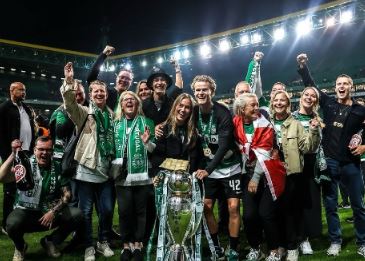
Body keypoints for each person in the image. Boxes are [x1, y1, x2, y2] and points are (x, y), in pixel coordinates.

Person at [297, 53, 365, 258]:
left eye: (345, 83)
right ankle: (335, 241)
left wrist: (364, 147)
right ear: (335, 87)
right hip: (329, 162)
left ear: (351, 87)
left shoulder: (360, 110)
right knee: (331, 205)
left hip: (351, 164)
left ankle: (362, 241)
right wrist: (303, 66)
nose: (341, 86)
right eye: (338, 84)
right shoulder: (328, 103)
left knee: (358, 205)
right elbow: (311, 85)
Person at [61, 62, 115, 261]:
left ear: (107, 95)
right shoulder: (84, 112)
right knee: (85, 212)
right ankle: (89, 246)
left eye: (102, 91)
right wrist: (68, 82)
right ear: (91, 94)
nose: (99, 94)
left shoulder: (112, 116)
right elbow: (69, 105)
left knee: (107, 210)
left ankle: (103, 241)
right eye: (96, 91)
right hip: (86, 170)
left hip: (106, 172)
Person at [0, 136, 83, 261]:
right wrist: (13, 153)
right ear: (34, 150)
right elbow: (1, 177)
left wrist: (53, 212)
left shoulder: (58, 167)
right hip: (25, 212)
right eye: (41, 149)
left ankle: (50, 241)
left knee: (77, 215)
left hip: (48, 213)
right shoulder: (25, 165)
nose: (45, 153)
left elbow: (67, 194)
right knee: (11, 224)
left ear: (52, 151)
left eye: (49, 150)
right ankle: (20, 247)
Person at [192, 75, 242, 261]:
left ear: (212, 91)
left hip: (229, 167)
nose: (201, 93)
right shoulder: (193, 111)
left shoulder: (223, 112)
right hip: (209, 167)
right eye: (198, 90)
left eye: (204, 89)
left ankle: (234, 248)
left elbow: (223, 146)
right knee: (206, 207)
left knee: (233, 207)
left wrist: (208, 170)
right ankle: (216, 247)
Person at [233, 93, 286, 261]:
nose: (257, 108)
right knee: (249, 215)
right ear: (242, 109)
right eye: (252, 105)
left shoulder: (265, 124)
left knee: (266, 214)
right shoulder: (235, 123)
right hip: (245, 174)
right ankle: (255, 247)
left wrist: (255, 178)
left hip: (266, 174)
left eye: (257, 104)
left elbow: (263, 153)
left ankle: (274, 250)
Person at [270, 90, 320, 261]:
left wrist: (313, 131)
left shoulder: (296, 123)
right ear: (272, 103)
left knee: (291, 210)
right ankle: (280, 246)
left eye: (282, 100)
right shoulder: (266, 123)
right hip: (271, 174)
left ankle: (292, 247)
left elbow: (307, 148)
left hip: (291, 173)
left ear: (288, 104)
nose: (279, 103)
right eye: (276, 100)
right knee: (274, 212)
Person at [112, 91, 155, 261]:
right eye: (125, 100)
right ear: (121, 105)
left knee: (140, 211)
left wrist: (146, 142)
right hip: (121, 175)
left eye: (132, 100)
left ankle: (138, 244)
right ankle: (126, 244)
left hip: (141, 175)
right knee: (124, 212)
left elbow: (153, 149)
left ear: (137, 104)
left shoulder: (147, 122)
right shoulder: (115, 124)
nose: (129, 102)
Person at [292, 86, 326, 255]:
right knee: (297, 203)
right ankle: (301, 239)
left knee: (311, 203)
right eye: (307, 94)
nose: (309, 98)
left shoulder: (317, 118)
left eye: (313, 96)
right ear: (301, 96)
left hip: (313, 165)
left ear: (316, 101)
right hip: (297, 164)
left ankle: (308, 237)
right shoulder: (292, 117)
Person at [0, 81, 35, 235]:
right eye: (21, 90)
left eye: (25, 90)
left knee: (25, 187)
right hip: (11, 154)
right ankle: (6, 223)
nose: (24, 92)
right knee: (10, 189)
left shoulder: (26, 108)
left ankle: (21, 219)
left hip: (27, 153)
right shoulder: (4, 108)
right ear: (12, 90)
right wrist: (7, 152)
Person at [87, 45, 134, 110]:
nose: (124, 80)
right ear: (116, 78)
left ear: (131, 82)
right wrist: (103, 55)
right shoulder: (106, 92)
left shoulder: (132, 98)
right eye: (122, 77)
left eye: (128, 78)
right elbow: (91, 79)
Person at [142, 59, 183, 126]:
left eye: (162, 80)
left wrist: (177, 69)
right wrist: (153, 130)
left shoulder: (171, 101)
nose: (159, 83)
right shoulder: (144, 105)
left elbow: (178, 87)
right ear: (152, 85)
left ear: (166, 84)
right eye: (156, 80)